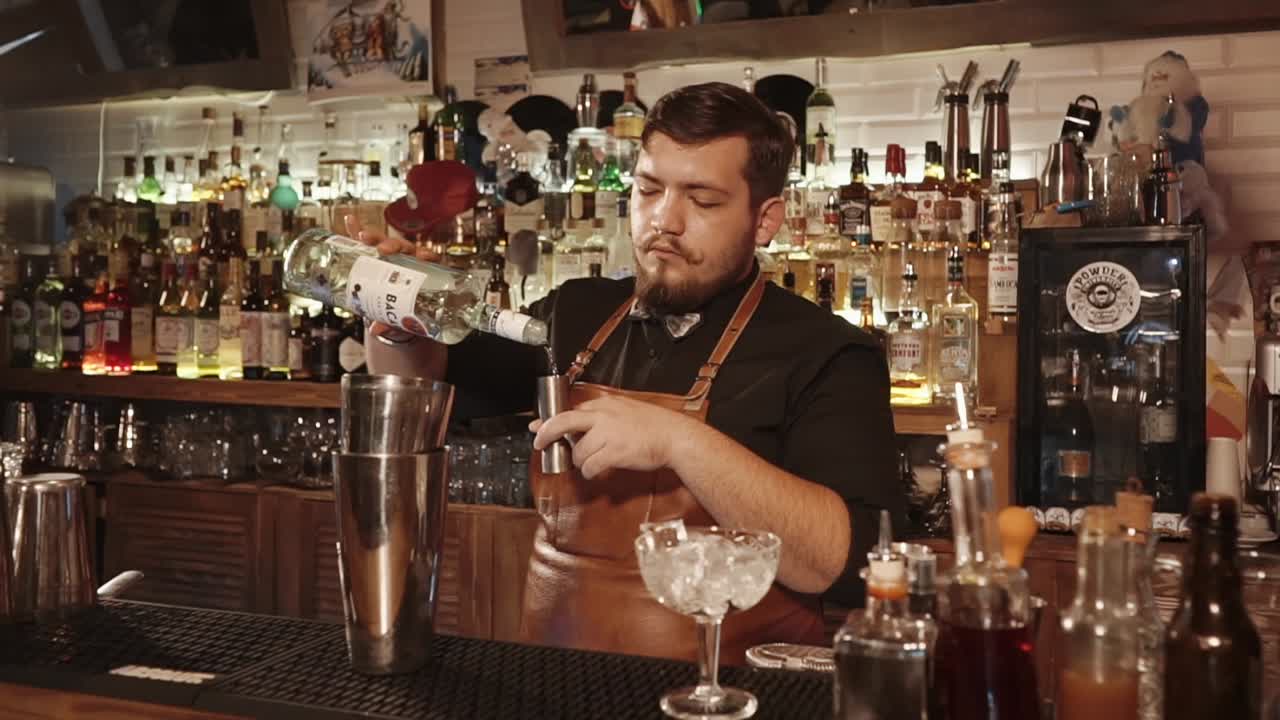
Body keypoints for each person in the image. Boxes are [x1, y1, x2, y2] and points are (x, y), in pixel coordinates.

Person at [355, 81, 902, 664]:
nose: (665, 220)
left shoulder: (827, 352)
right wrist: (398, 322)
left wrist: (678, 441)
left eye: (703, 200)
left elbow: (842, 564)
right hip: (553, 686)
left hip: (733, 697)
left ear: (765, 220)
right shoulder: (575, 314)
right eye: (648, 189)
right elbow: (424, 393)